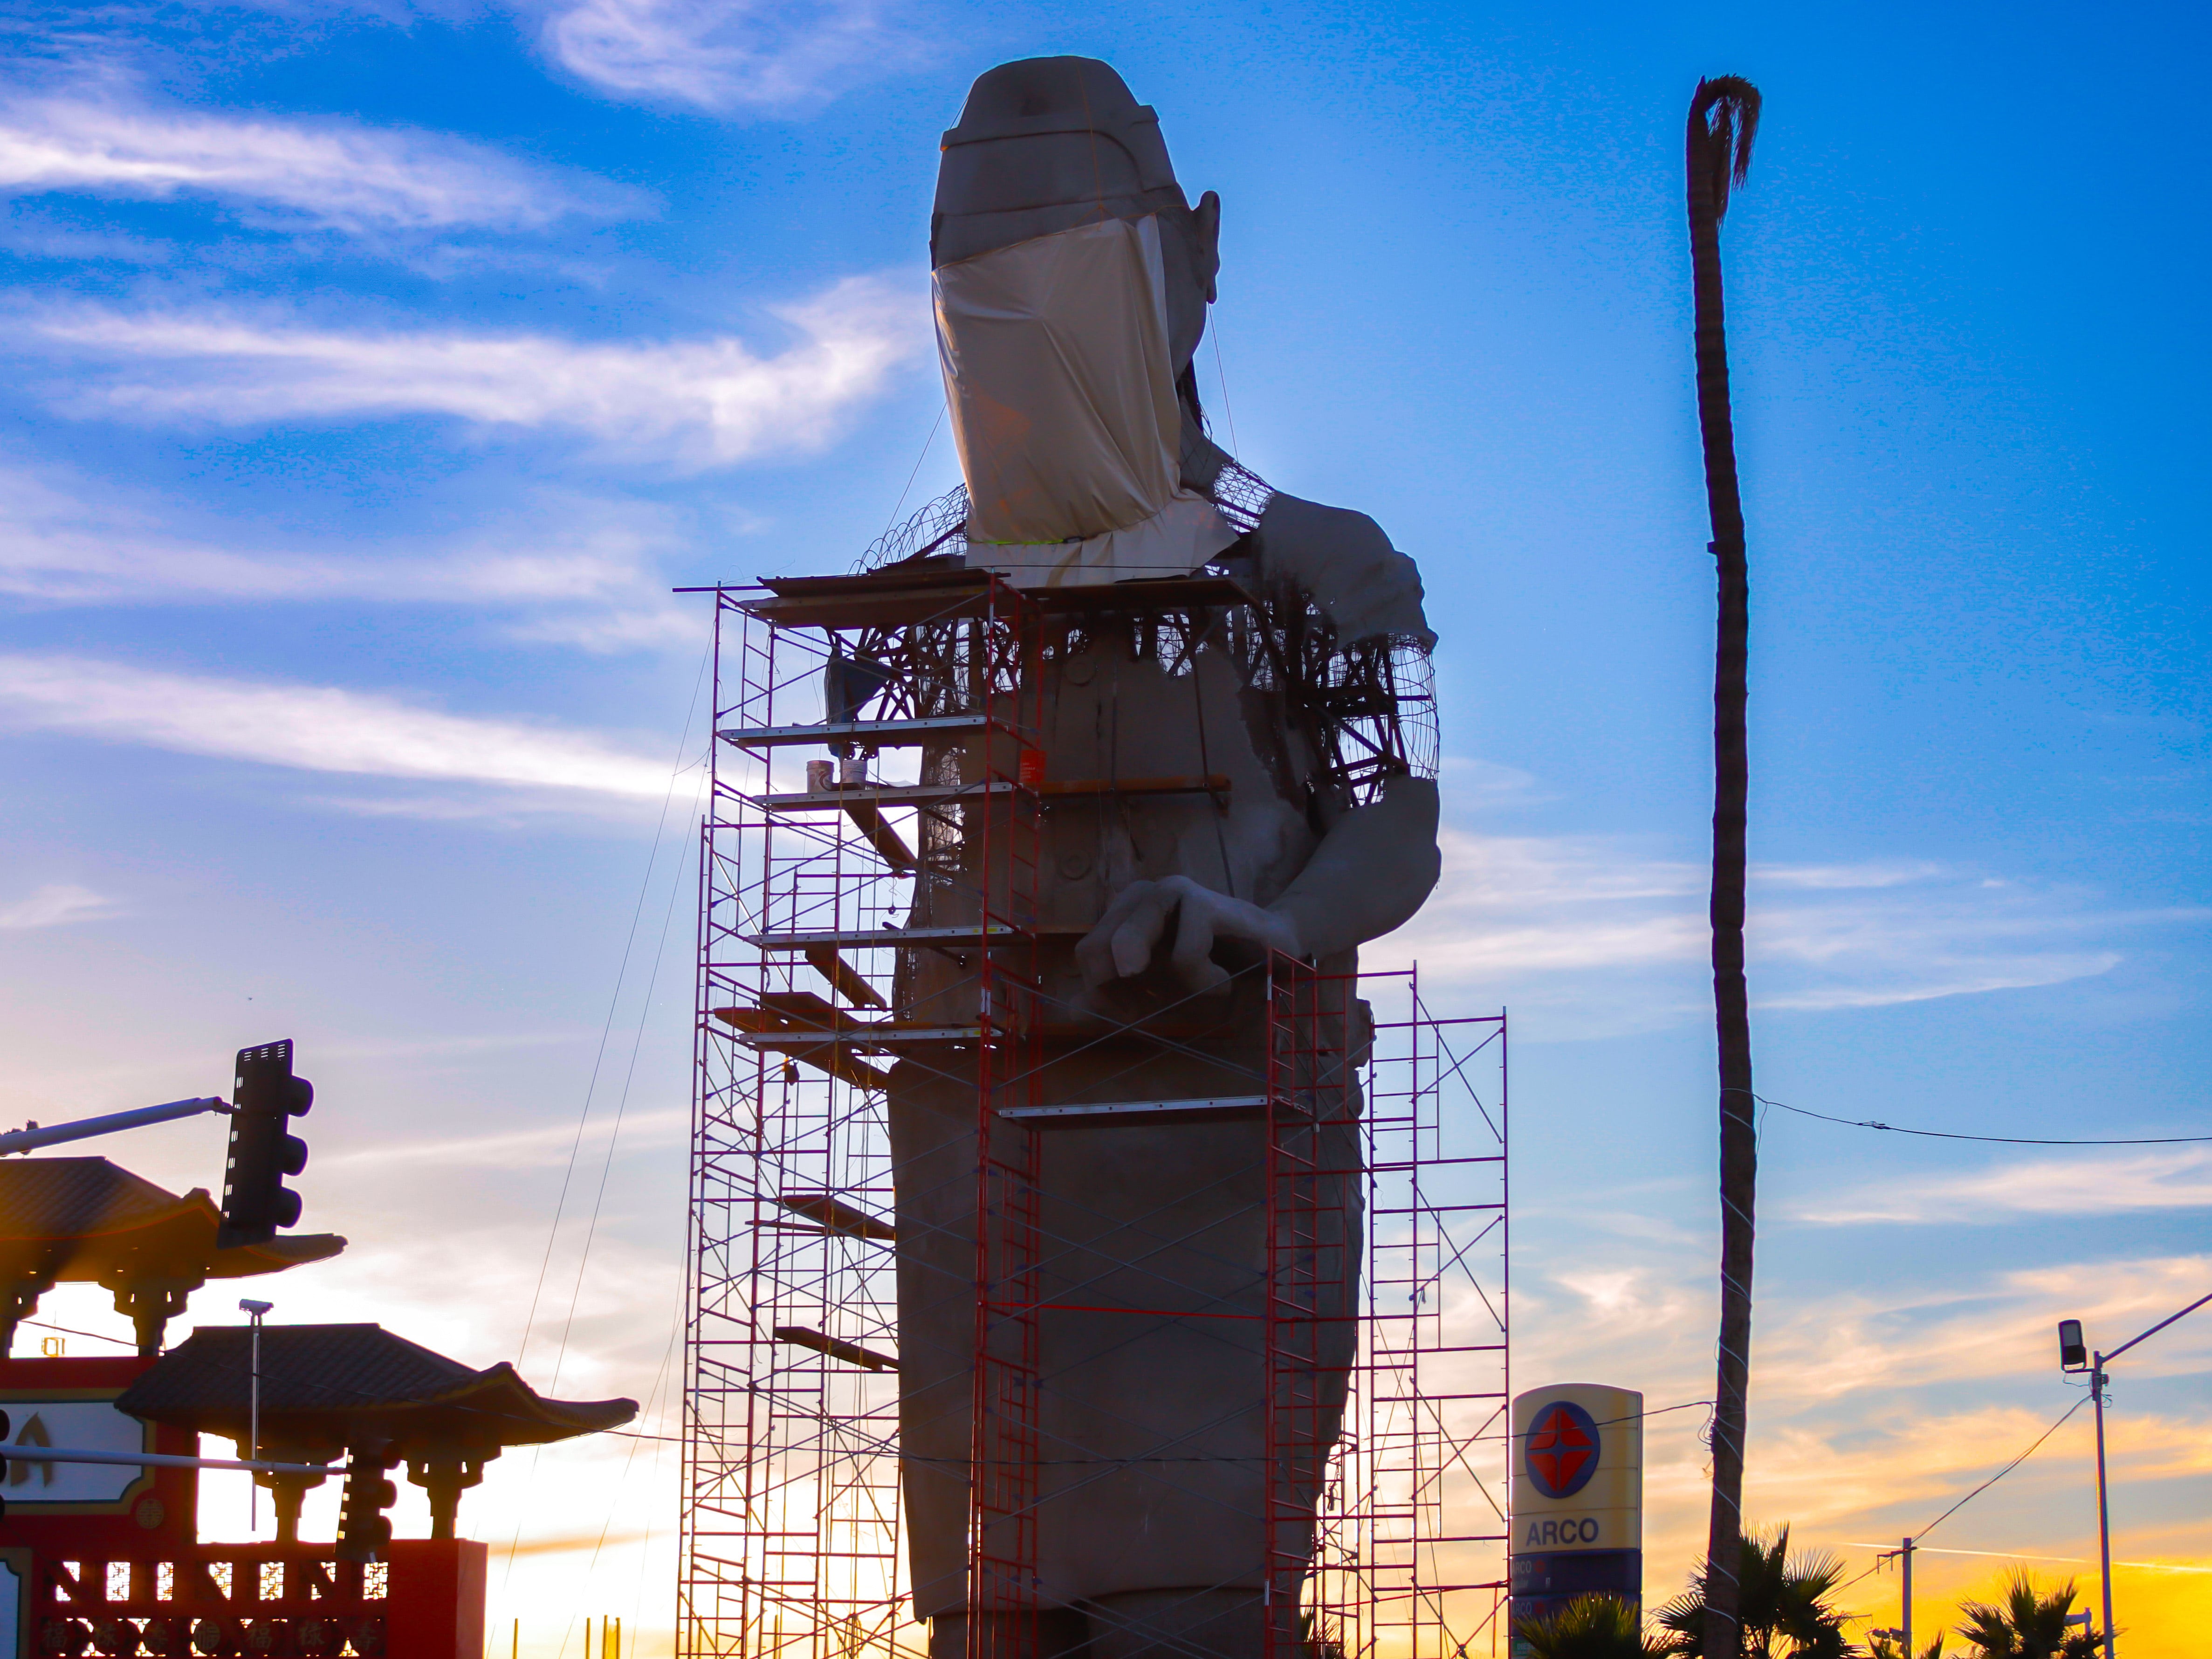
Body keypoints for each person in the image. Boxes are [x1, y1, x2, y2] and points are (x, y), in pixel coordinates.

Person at [886, 57, 1441, 1659]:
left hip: (1213, 1098)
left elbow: (1396, 820)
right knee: (989, 1603)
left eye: (1069, 275)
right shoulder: (942, 603)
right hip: (981, 1112)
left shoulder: (1311, 565)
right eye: (984, 292)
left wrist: (1265, 929)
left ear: (1189, 261)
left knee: (1186, 1586)